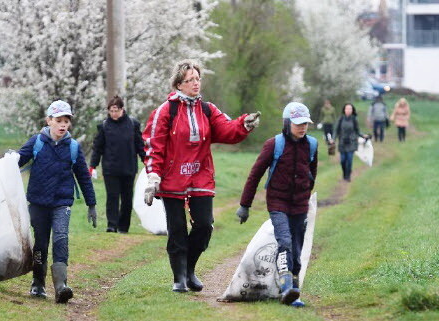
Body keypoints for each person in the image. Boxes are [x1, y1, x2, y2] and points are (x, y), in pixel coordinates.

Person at [142, 59, 260, 293]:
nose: (196, 83)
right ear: (179, 83)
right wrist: (153, 176)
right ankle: (179, 278)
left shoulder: (208, 109)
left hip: (200, 177)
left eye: (198, 79)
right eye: (190, 80)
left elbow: (227, 130)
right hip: (173, 179)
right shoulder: (166, 111)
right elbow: (153, 145)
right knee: (176, 229)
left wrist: (243, 125)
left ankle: (190, 269)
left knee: (204, 226)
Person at [235, 102, 317, 307]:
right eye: (298, 123)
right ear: (288, 123)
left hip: (299, 204)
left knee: (297, 250)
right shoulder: (274, 144)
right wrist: (245, 205)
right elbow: (255, 175)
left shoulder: (312, 145)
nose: (303, 127)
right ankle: (286, 286)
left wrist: (305, 193)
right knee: (285, 241)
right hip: (278, 202)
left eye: (306, 123)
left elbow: (312, 174)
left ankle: (293, 291)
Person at [16, 100, 97, 304]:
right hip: (38, 202)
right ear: (49, 121)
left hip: (62, 202)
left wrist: (92, 204)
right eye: (58, 120)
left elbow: (83, 177)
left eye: (66, 121)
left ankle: (61, 286)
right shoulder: (37, 142)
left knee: (61, 238)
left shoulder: (73, 147)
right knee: (41, 244)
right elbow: (18, 160)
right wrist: (5, 164)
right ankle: (38, 283)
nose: (63, 125)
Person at [89, 96, 145, 233]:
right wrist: (93, 166)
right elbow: (98, 147)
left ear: (122, 109)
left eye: (116, 110)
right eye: (111, 111)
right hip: (110, 169)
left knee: (127, 199)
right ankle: (112, 225)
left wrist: (147, 161)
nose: (114, 113)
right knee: (112, 198)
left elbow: (140, 145)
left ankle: (123, 226)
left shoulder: (132, 124)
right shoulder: (104, 126)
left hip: (129, 168)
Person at [335, 103, 369, 182]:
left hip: (352, 142)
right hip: (342, 142)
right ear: (344, 110)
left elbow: (357, 131)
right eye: (347, 108)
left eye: (350, 109)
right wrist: (333, 139)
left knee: (349, 160)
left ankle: (348, 176)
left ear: (352, 110)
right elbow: (336, 131)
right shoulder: (341, 119)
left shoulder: (354, 119)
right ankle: (344, 173)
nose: (348, 110)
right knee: (343, 160)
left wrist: (363, 135)